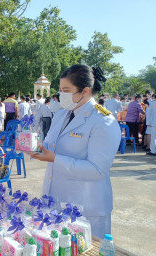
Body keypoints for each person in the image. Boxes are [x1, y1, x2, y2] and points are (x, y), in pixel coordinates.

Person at [29, 64, 121, 238]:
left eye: (66, 90)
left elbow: (97, 170)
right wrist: (35, 147)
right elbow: (49, 144)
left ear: (85, 91)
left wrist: (55, 159)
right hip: (56, 200)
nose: (61, 94)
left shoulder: (103, 121)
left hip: (86, 206)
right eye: (60, 89)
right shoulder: (61, 115)